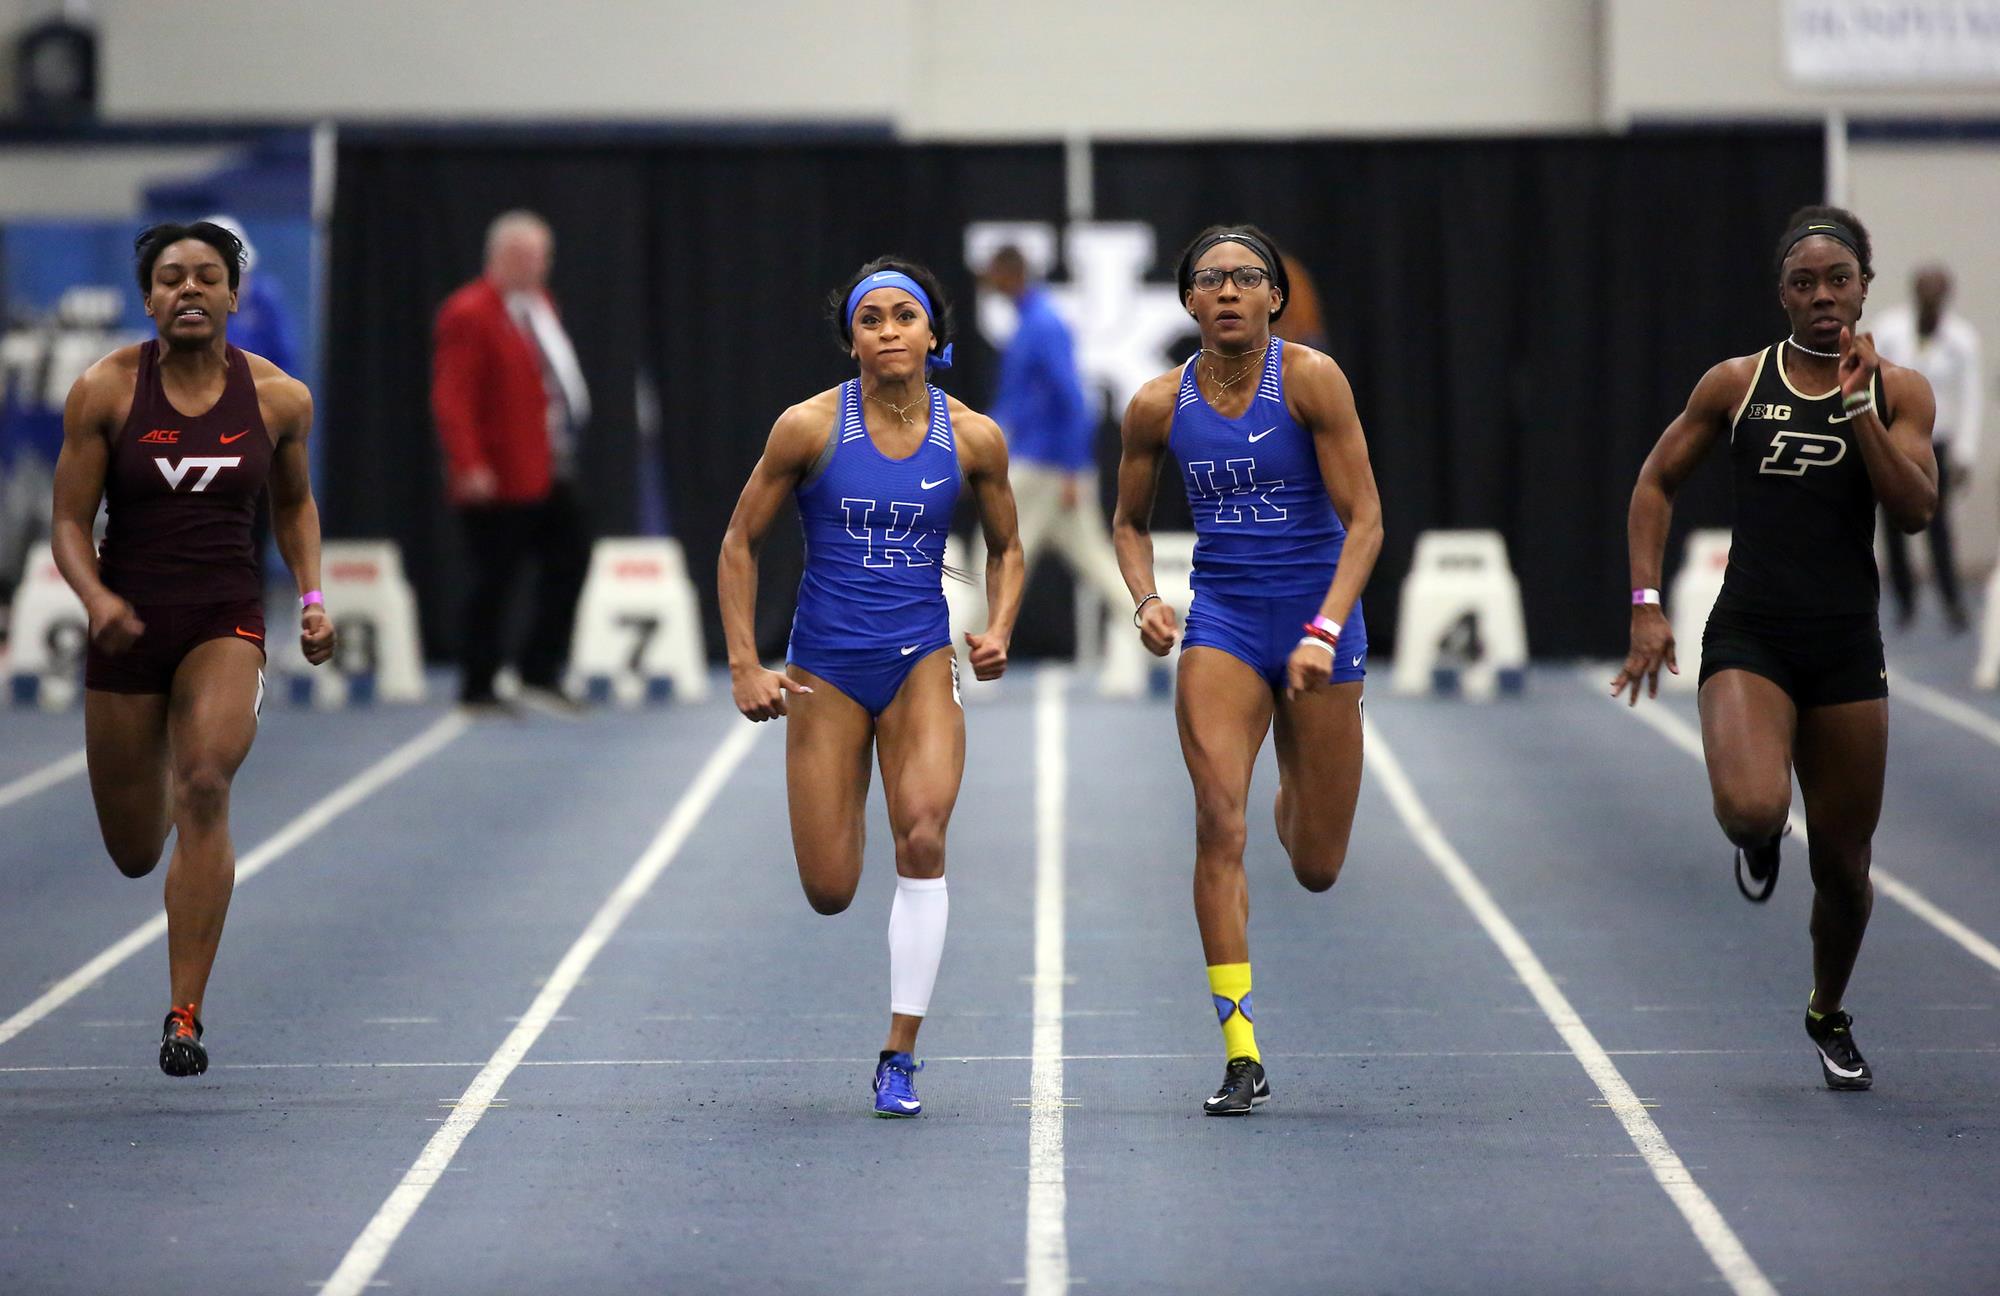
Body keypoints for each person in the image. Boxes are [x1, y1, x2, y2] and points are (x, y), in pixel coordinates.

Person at [1614, 205, 1938, 1092]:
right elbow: (1654, 484)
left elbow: (1913, 512)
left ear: (1865, 287)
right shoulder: (1736, 383)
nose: (1824, 297)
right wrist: (1647, 606)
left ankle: (1828, 1010)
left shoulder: (1904, 391)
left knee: (1843, 867)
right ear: (1783, 297)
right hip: (1751, 631)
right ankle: (1758, 835)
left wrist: (1862, 409)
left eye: (1839, 280)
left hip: (1844, 644)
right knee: (1754, 810)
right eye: (1805, 284)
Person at [717, 257, 1023, 1117]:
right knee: (830, 889)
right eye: (871, 319)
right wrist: (745, 662)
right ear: (851, 339)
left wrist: (998, 627)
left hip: (921, 657)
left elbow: (1007, 546)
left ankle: (900, 1053)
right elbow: (739, 542)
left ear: (934, 334)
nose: (889, 330)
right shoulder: (808, 429)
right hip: (824, 669)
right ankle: (843, 775)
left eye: (904, 316)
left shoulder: (973, 437)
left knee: (922, 836)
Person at [49, 220, 336, 1076]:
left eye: (207, 277)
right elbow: (68, 520)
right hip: (128, 626)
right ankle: (169, 755)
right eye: (172, 279)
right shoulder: (104, 393)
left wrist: (313, 600)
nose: (190, 291)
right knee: (136, 849)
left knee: (206, 781)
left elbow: (293, 507)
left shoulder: (280, 399)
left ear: (233, 296)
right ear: (148, 300)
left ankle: (184, 1015)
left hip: (225, 621)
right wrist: (97, 599)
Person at [1112, 225, 1384, 1115]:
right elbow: (1128, 522)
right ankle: (1241, 1049)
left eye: (1247, 277)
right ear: (1188, 301)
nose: (1229, 290)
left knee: (1314, 862)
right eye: (1211, 279)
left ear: (1275, 298)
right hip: (1223, 624)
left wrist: (1324, 628)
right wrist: (1148, 598)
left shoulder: (1310, 381)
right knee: (1216, 824)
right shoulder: (1158, 404)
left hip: (1317, 626)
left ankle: (1296, 782)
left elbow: (1367, 520)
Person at [432, 209, 593, 714]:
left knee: (570, 560)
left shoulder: (540, 304)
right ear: (507, 255)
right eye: (535, 256)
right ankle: (477, 683)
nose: (544, 265)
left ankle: (538, 670)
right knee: (493, 578)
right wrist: (469, 463)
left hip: (548, 466)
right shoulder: (469, 311)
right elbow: (452, 397)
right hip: (498, 473)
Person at [981, 246, 1130, 651]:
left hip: (1044, 466)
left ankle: (959, 655)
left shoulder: (1043, 325)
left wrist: (1071, 469)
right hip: (1040, 461)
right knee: (1095, 562)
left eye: (994, 275)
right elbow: (1015, 404)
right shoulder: (1030, 321)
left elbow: (1074, 401)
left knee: (997, 555)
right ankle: (1157, 632)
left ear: (1011, 274)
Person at [1872, 264, 1982, 632]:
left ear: (1946, 299)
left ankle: (1951, 600)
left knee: (1937, 525)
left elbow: (1971, 398)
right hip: (1892, 440)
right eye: (1924, 293)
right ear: (1914, 294)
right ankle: (1904, 602)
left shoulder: (1962, 340)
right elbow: (1872, 382)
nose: (1930, 301)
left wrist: (1965, 454)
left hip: (1937, 444)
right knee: (1892, 526)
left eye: (1937, 295)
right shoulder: (1889, 330)